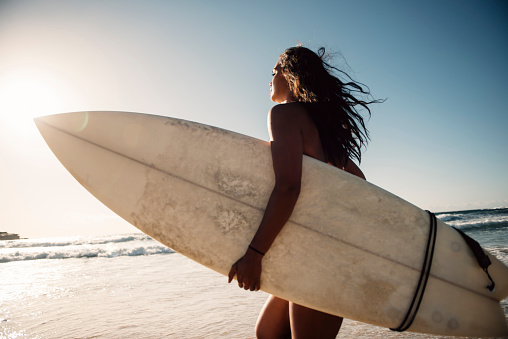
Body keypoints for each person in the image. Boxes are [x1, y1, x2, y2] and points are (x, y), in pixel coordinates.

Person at [228, 46, 381, 339]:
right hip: (316, 250)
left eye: (273, 71)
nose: (270, 78)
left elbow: (288, 187)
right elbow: (359, 182)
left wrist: (254, 254)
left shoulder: (284, 115)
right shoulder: (320, 127)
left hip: (319, 257)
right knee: (268, 334)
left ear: (289, 73)